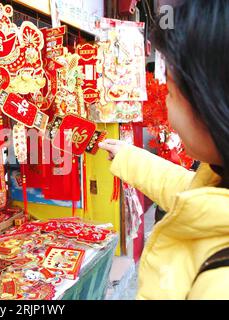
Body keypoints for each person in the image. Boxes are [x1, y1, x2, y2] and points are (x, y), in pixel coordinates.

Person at [99, 0, 229, 299]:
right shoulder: (218, 179)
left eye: (171, 91)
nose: (167, 107)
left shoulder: (220, 282)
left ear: (213, 103)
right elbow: (194, 196)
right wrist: (129, 157)